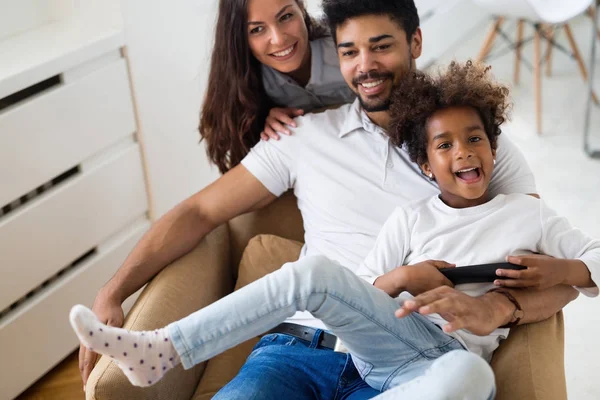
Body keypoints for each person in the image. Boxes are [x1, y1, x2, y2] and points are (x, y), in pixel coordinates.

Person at [80, 0, 581, 397]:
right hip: (295, 351)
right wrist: (114, 290)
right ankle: (163, 349)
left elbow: (547, 265)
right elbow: (198, 212)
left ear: (416, 41)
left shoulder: (475, 148)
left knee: (467, 380)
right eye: (348, 52)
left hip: (413, 357)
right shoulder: (303, 136)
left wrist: (500, 310)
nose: (365, 67)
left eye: (381, 47)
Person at [200, 0, 355, 174]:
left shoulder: (349, 45)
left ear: (301, 8)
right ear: (239, 37)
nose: (279, 39)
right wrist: (262, 124)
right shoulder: (245, 81)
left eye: (286, 16)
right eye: (257, 29)